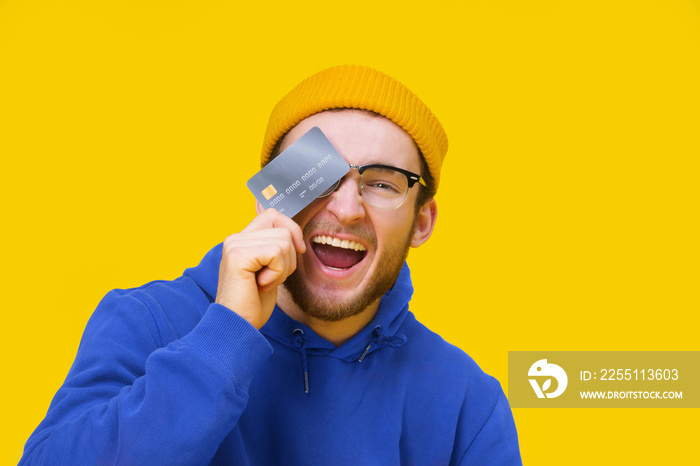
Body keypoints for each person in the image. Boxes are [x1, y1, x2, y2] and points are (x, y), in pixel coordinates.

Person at [21, 65, 521, 465]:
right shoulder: (147, 321)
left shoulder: (466, 402)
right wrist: (225, 337)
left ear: (421, 222)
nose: (346, 209)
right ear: (270, 197)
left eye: (383, 183)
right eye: (317, 174)